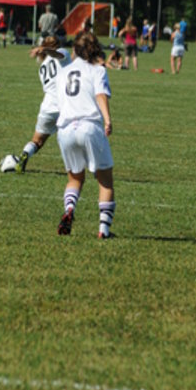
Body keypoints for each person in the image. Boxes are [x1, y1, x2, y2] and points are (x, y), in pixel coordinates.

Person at [55, 31, 115, 239]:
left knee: (75, 178)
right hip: (89, 126)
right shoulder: (98, 70)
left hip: (65, 129)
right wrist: (107, 119)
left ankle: (69, 209)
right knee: (105, 180)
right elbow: (100, 95)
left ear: (75, 49)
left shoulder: (63, 72)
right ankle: (103, 231)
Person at [14, 36, 72, 173]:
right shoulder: (62, 52)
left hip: (47, 107)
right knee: (75, 135)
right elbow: (58, 54)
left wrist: (44, 50)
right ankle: (81, 166)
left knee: (37, 141)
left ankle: (25, 154)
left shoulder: (42, 67)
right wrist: (46, 49)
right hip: (65, 105)